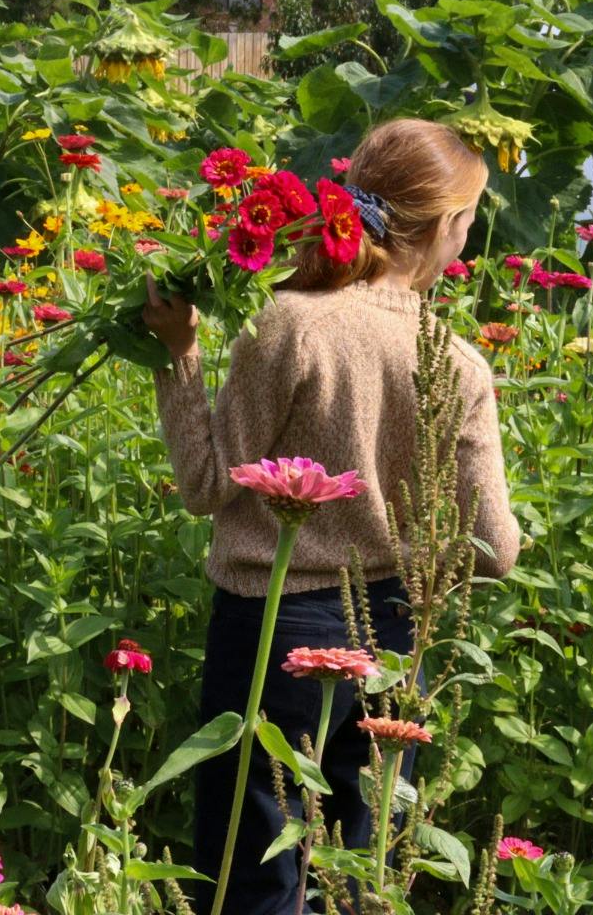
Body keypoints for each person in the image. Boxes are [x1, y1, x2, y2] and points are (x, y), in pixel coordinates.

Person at [141, 118, 521, 915]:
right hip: (392, 638)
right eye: (470, 217)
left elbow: (209, 485)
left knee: (257, 868)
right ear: (448, 228)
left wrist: (178, 356)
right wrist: (415, 546)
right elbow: (497, 549)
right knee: (362, 868)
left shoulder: (286, 323)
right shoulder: (456, 361)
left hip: (271, 627)